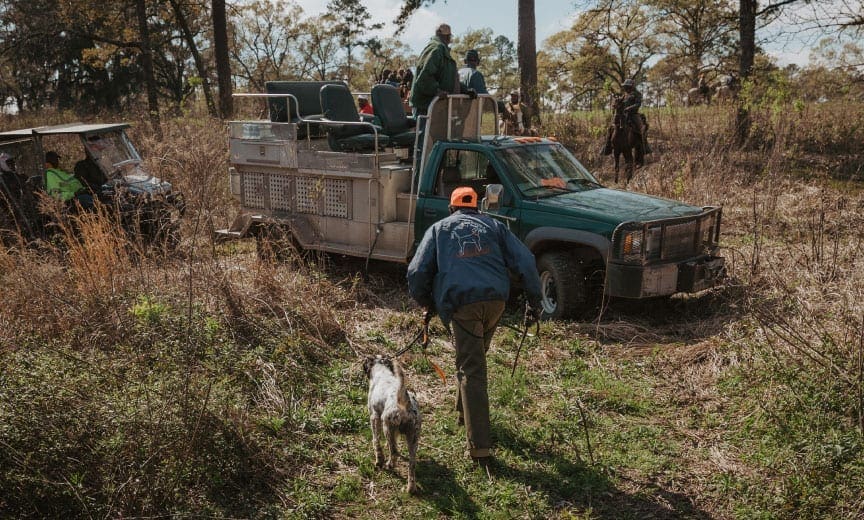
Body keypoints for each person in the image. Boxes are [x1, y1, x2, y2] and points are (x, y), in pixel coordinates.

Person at [407, 186, 542, 468]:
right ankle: (462, 414)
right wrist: (534, 301)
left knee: (472, 370)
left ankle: (479, 448)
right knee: (473, 357)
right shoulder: (495, 225)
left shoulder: (440, 229)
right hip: (495, 303)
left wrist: (427, 302)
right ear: (476, 207)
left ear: (452, 208)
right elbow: (526, 260)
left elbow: (417, 272)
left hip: (464, 305)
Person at [410, 23, 460, 171]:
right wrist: (437, 91)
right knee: (424, 148)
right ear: (447, 37)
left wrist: (466, 90)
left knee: (435, 148)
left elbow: (447, 79)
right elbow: (423, 78)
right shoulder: (436, 49)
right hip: (426, 107)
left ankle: (433, 183)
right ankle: (419, 185)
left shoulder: (442, 51)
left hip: (437, 108)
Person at [602, 78, 650, 157]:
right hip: (623, 114)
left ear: (631, 86)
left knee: (641, 130)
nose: (626, 88)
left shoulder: (637, 94)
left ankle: (645, 147)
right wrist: (615, 103)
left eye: (627, 86)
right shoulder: (625, 94)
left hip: (633, 114)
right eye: (625, 87)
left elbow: (638, 104)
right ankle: (607, 147)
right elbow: (619, 101)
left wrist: (629, 108)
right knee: (611, 127)